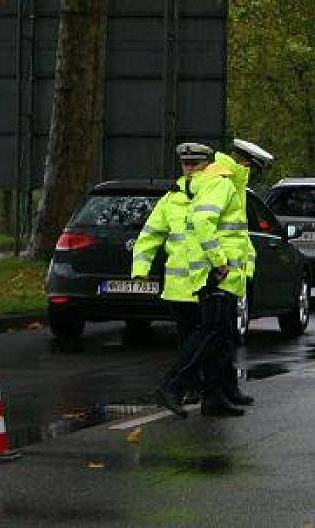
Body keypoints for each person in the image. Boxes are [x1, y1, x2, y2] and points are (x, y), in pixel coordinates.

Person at [131, 142, 215, 419]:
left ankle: (196, 387)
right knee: (192, 339)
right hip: (179, 286)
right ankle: (189, 387)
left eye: (196, 163)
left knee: (204, 338)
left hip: (207, 281)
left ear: (208, 164)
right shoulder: (171, 199)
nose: (190, 169)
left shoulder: (213, 192)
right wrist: (140, 269)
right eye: (186, 164)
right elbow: (150, 234)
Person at [207, 139, 275, 406]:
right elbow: (207, 225)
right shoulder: (223, 183)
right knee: (216, 338)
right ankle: (204, 392)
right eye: (252, 167)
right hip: (218, 275)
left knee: (227, 338)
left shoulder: (234, 185)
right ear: (245, 162)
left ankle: (227, 389)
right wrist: (219, 262)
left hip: (230, 276)